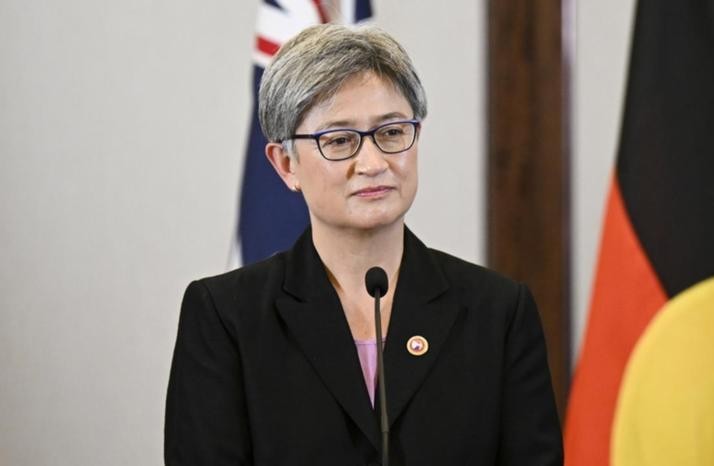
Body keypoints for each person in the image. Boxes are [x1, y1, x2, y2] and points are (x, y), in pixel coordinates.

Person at [164, 24, 563, 465]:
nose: (373, 163)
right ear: (285, 164)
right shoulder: (226, 318)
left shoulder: (498, 312)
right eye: (339, 140)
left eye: (391, 133)